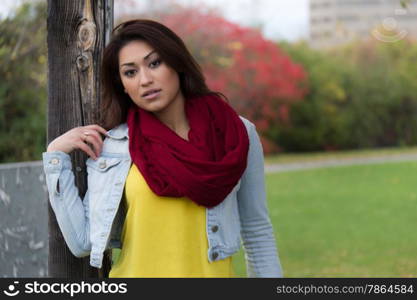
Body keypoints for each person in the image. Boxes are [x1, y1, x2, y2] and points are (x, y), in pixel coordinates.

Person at [43, 19, 282, 278]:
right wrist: (56, 157)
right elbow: (82, 242)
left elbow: (257, 232)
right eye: (130, 72)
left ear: (177, 63)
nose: (145, 80)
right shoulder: (113, 147)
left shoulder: (235, 134)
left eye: (154, 63)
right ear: (122, 84)